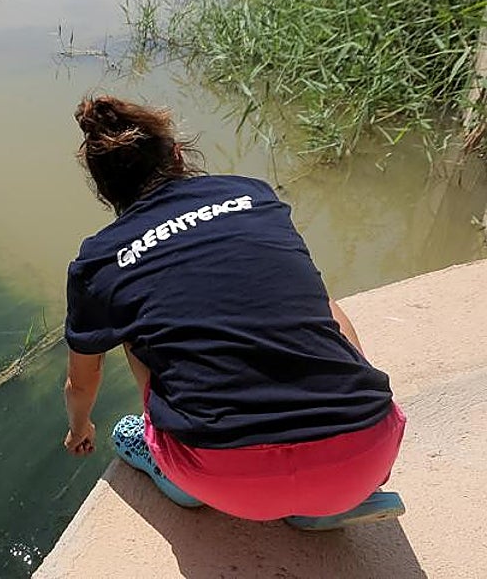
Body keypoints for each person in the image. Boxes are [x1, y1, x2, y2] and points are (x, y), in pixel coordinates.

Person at [61, 96, 406, 529]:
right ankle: (324, 504)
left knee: (133, 325)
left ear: (103, 189)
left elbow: (80, 382)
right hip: (366, 453)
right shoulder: (252, 194)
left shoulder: (99, 260)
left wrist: (79, 430)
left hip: (220, 479)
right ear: (177, 155)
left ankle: (175, 476)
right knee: (314, 295)